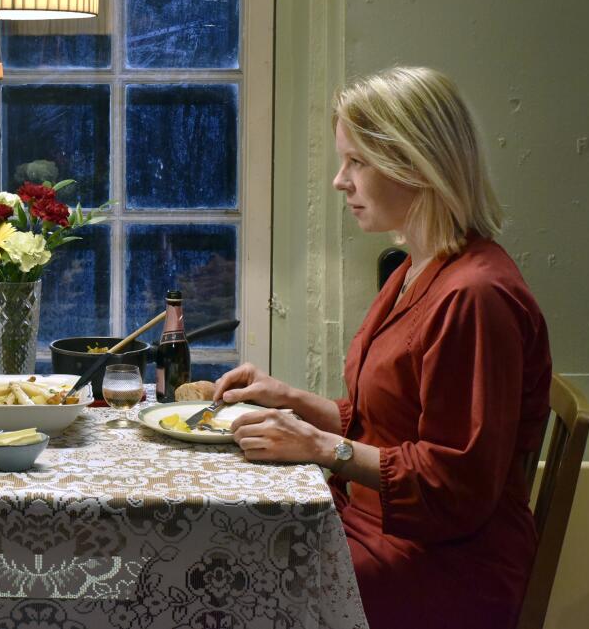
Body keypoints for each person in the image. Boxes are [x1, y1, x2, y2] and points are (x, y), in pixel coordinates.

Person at [215, 67, 551, 629]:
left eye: (357, 162)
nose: (339, 181)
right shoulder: (416, 268)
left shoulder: (475, 296)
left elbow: (454, 485)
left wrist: (323, 448)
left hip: (441, 566)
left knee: (223, 580)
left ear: (416, 165)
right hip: (376, 527)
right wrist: (292, 399)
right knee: (220, 554)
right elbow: (388, 427)